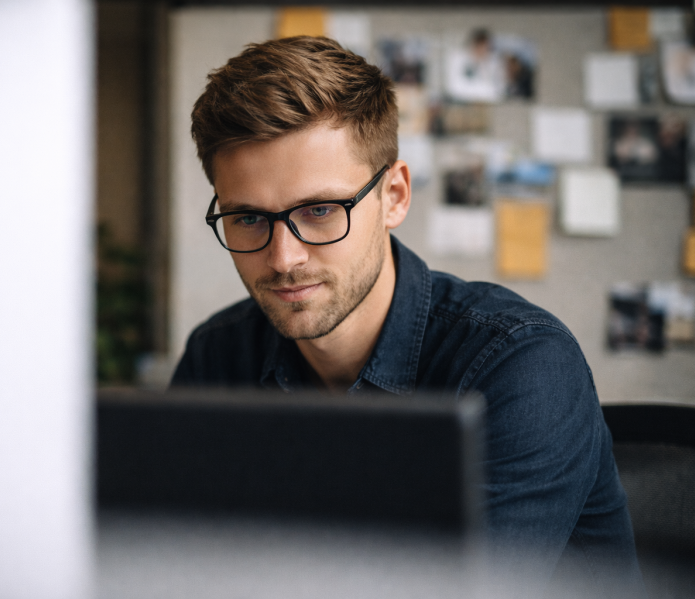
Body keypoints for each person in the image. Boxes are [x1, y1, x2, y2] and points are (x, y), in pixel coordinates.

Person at [171, 36, 643, 594]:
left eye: (320, 211)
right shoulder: (219, 355)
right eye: (247, 218)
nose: (283, 258)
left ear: (393, 196)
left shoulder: (520, 365)